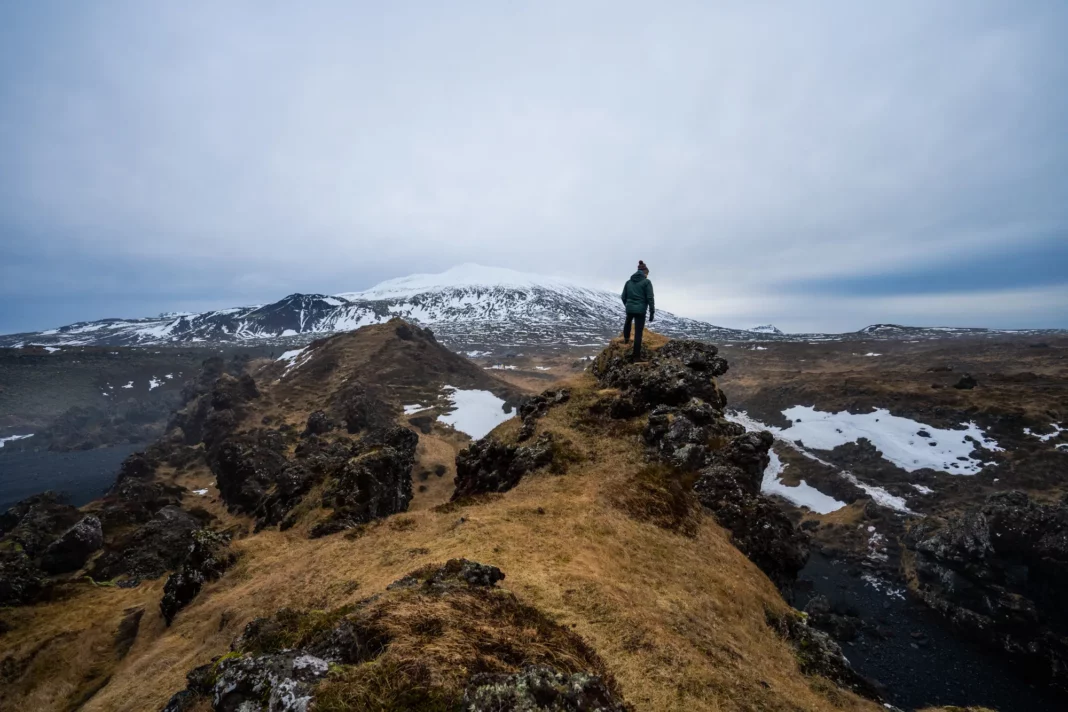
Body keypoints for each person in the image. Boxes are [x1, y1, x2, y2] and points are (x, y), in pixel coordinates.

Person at [621, 260, 654, 360]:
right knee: (638, 333)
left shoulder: (628, 282)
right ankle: (636, 356)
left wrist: (628, 305)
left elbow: (623, 297)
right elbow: (650, 298)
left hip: (630, 308)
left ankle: (626, 340)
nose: (647, 276)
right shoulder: (646, 282)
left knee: (628, 322)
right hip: (640, 310)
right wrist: (651, 311)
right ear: (645, 272)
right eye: (647, 274)